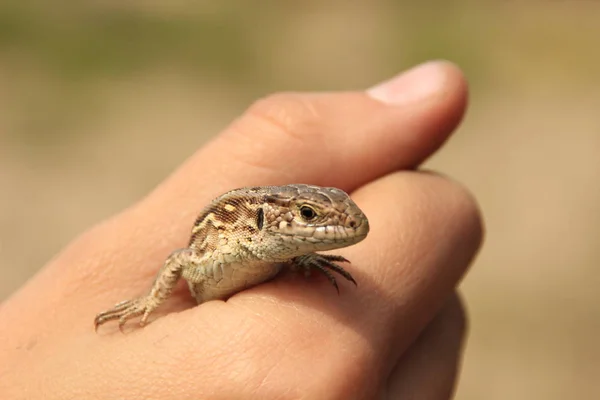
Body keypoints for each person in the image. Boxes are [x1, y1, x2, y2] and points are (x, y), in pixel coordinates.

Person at [0, 61, 482, 399]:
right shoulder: (230, 236)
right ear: (263, 220)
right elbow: (179, 261)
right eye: (311, 217)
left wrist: (306, 255)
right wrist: (150, 303)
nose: (342, 224)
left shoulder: (279, 249)